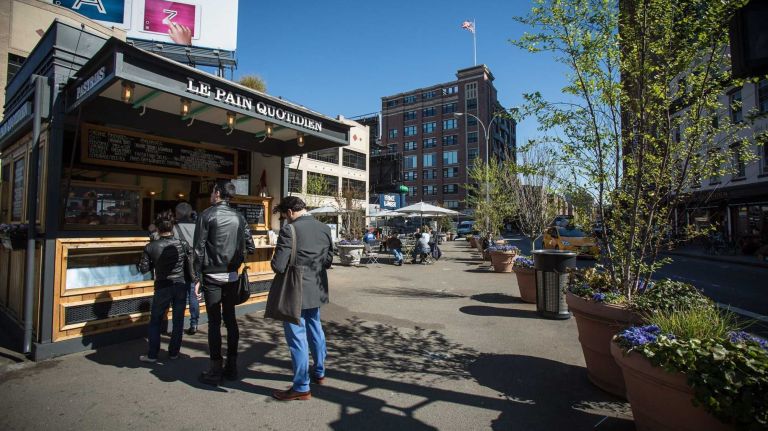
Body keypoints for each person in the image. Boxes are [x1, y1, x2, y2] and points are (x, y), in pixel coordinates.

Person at [270, 196, 333, 401]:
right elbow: (328, 260)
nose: (285, 220)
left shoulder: (290, 230)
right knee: (315, 327)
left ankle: (301, 386)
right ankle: (320, 371)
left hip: (295, 288)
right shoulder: (324, 228)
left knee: (297, 337)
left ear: (289, 212)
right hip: (317, 286)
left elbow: (278, 266)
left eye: (284, 216)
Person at [194, 182, 255, 384]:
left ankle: (215, 369)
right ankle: (232, 367)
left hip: (211, 276)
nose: (211, 195)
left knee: (214, 323)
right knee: (231, 321)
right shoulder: (239, 217)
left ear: (217, 193)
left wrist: (197, 277)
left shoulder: (206, 215)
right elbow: (250, 246)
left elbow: (198, 249)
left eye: (212, 192)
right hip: (231, 276)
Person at [137, 212, 194, 363]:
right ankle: (174, 352)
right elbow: (190, 266)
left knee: (155, 320)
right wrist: (195, 281)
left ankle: (152, 354)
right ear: (173, 227)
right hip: (180, 284)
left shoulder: (151, 246)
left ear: (157, 229)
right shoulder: (182, 244)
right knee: (178, 320)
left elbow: (143, 268)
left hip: (162, 285)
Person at [173, 202, 200, 335]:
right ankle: (194, 323)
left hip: (179, 266)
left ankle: (177, 326)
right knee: (193, 295)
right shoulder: (198, 227)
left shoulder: (174, 228)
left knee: (179, 297)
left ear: (177, 214)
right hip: (194, 265)